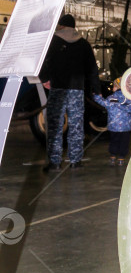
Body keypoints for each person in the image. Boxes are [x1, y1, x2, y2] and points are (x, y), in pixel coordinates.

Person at [39, 13, 100, 171]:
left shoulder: (52, 41)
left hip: (58, 88)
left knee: (54, 126)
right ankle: (75, 161)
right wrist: (96, 90)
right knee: (76, 125)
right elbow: (92, 69)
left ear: (61, 25)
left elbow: (44, 63)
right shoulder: (84, 44)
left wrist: (44, 78)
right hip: (77, 90)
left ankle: (54, 162)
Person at [93, 78, 131, 166]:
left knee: (114, 140)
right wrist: (128, 119)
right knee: (124, 141)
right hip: (125, 127)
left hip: (113, 126)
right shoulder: (129, 99)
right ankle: (121, 158)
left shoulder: (111, 98)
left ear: (116, 88)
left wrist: (97, 96)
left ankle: (112, 157)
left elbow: (103, 103)